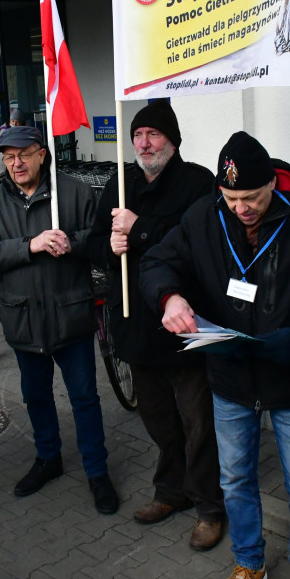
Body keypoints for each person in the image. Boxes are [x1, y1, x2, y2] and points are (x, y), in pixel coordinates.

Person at [140, 131, 290, 579]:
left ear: (273, 185)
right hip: (229, 379)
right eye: (231, 197)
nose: (241, 207)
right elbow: (156, 263)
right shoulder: (203, 217)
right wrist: (170, 299)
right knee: (235, 481)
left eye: (252, 197)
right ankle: (249, 562)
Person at [89, 100, 224, 548]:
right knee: (158, 419)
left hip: (183, 326)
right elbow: (94, 245)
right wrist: (110, 244)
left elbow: (198, 242)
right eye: (138, 135)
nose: (144, 143)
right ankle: (171, 491)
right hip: (136, 326)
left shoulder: (198, 183)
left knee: (198, 423)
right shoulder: (120, 183)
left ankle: (209, 506)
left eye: (154, 134)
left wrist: (140, 227)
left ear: (173, 139)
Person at [0, 125, 119, 515]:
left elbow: (101, 240)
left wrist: (74, 241)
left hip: (70, 315)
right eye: (8, 157)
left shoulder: (73, 191)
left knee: (85, 398)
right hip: (24, 318)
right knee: (36, 397)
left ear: (41, 154)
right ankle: (48, 458)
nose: (15, 163)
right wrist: (30, 246)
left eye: (22, 154)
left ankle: (97, 471)